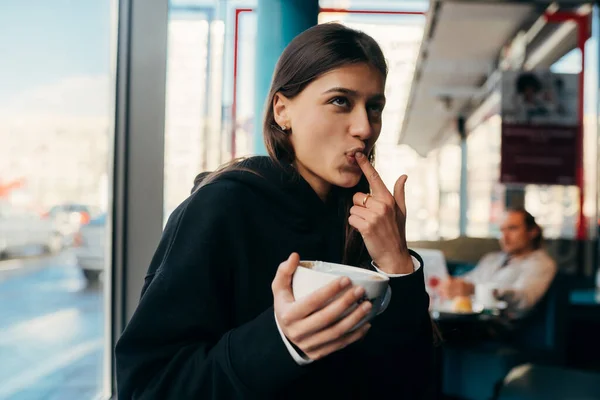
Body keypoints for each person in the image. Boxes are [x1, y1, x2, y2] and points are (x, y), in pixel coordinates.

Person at [115, 23, 433, 399]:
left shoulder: (364, 223)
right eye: (340, 101)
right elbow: (148, 387)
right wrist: (281, 342)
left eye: (374, 107)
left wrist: (397, 264)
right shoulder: (221, 208)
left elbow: (411, 381)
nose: (365, 127)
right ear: (282, 110)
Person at [439, 207, 557, 316]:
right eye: (502, 230)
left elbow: (523, 299)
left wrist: (477, 290)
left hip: (501, 325)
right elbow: (469, 280)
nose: (504, 237)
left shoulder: (541, 264)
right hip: (471, 317)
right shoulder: (492, 259)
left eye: (512, 229)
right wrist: (453, 284)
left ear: (532, 232)